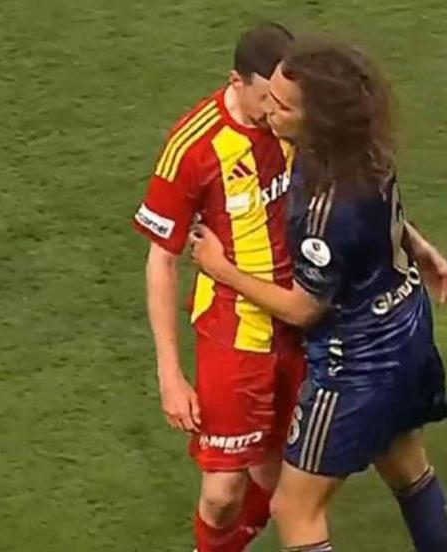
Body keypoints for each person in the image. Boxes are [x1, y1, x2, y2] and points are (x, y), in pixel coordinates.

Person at [190, 38, 447, 552]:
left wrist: (221, 269)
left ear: (320, 121)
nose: (269, 110)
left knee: (294, 508)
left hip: (357, 365)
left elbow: (304, 309)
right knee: (407, 467)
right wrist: (418, 245)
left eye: (284, 106)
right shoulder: (367, 151)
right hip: (407, 325)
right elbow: (384, 213)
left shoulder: (323, 210)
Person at [132, 23, 304, 552]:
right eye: (267, 98)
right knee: (223, 492)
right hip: (235, 333)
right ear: (236, 81)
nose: (277, 110)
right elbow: (161, 261)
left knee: (283, 478)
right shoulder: (193, 146)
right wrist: (170, 375)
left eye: (285, 98)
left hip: (302, 320)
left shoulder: (299, 115)